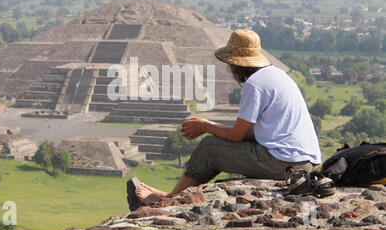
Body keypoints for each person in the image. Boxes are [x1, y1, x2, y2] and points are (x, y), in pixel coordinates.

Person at [135, 29, 322, 205]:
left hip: (285, 163)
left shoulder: (254, 84)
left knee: (209, 148)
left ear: (235, 64)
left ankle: (171, 199)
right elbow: (256, 132)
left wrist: (204, 125)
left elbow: (236, 136)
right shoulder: (277, 75)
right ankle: (175, 196)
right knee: (217, 142)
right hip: (308, 164)